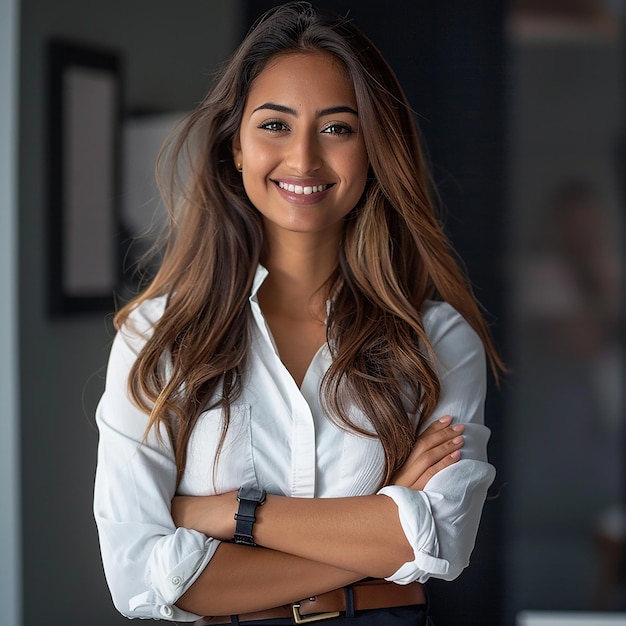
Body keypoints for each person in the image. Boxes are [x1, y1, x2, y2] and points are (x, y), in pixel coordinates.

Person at [93, 2, 504, 624]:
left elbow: (444, 541)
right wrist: (381, 537)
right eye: (275, 126)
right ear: (235, 146)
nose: (305, 159)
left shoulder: (437, 340)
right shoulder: (157, 340)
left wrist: (231, 515)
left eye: (338, 128)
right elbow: (140, 577)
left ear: (373, 152)